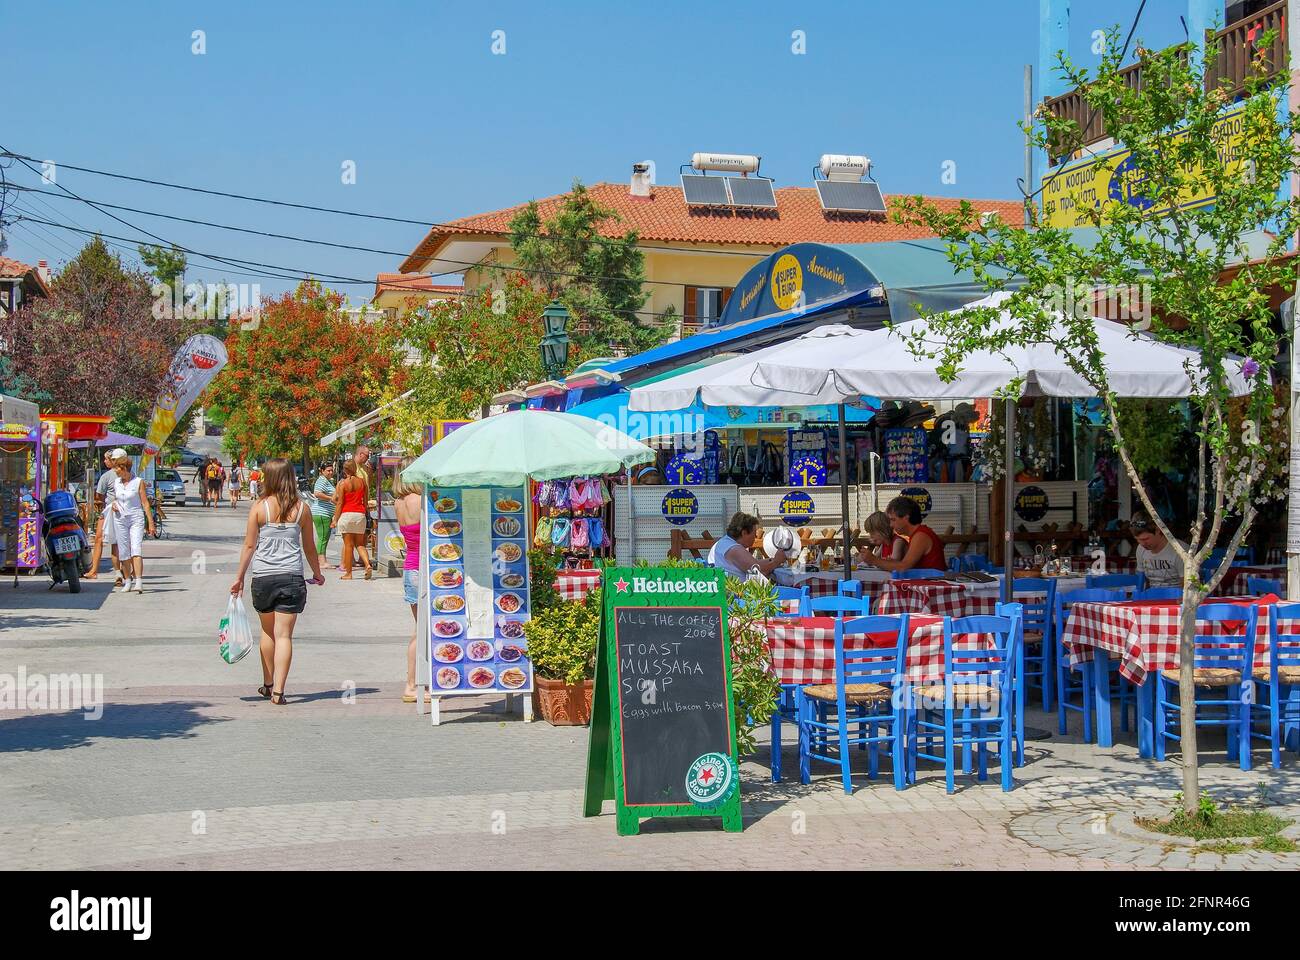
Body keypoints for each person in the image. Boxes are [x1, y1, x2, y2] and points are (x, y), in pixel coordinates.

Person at [230, 458, 324, 706]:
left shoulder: (260, 508)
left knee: (267, 632)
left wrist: (239, 577)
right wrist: (318, 573)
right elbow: (309, 547)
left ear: (268, 478)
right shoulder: (303, 509)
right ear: (291, 477)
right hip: (291, 577)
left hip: (263, 578)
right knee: (285, 636)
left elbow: (249, 545)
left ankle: (268, 683)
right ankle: (279, 692)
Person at [393, 467, 429, 703]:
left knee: (419, 628)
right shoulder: (420, 500)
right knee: (423, 630)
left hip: (409, 567)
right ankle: (413, 685)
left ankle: (414, 683)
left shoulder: (399, 503)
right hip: (423, 568)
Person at [859, 496, 947, 574]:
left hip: (933, 586)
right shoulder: (917, 534)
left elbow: (903, 567)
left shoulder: (921, 535)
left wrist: (874, 560)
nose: (891, 525)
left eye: (893, 520)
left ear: (906, 518)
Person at [108, 450, 156, 593]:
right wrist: (114, 504)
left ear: (124, 468)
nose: (115, 471)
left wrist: (151, 522)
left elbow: (145, 503)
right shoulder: (117, 482)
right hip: (120, 519)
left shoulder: (138, 482)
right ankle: (127, 580)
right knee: (123, 551)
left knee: (136, 549)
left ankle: (139, 581)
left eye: (117, 468)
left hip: (136, 518)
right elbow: (115, 498)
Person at [707, 511, 790, 578]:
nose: (756, 536)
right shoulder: (733, 549)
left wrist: (771, 560)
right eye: (754, 533)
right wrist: (776, 561)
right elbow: (758, 571)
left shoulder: (724, 543)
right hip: (736, 595)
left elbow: (752, 563)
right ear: (744, 533)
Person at [331, 460, 372, 580]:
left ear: (344, 470)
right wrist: (364, 513)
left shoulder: (343, 484)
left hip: (346, 515)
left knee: (348, 545)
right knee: (360, 544)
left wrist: (335, 519)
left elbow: (340, 503)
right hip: (360, 514)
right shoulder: (362, 482)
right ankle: (367, 564)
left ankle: (348, 573)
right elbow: (365, 500)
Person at [86, 451, 121, 583]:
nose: (104, 462)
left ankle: (94, 570)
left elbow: (99, 495)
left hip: (109, 510)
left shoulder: (106, 476)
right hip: (118, 510)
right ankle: (120, 571)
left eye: (106, 459)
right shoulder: (129, 474)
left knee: (100, 539)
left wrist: (104, 504)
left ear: (113, 460)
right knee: (116, 541)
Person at [1130, 510, 1187, 587]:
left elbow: (1187, 585)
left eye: (1146, 539)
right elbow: (1141, 580)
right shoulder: (1140, 549)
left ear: (1158, 530)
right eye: (1138, 539)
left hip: (1176, 596)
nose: (1142, 543)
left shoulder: (1180, 550)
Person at [309, 462, 337, 568]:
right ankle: (322, 562)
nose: (330, 472)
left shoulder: (328, 481)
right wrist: (331, 499)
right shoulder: (322, 480)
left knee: (324, 537)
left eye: (331, 470)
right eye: (328, 470)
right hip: (321, 512)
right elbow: (317, 493)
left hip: (325, 513)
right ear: (322, 471)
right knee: (323, 537)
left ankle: (321, 560)